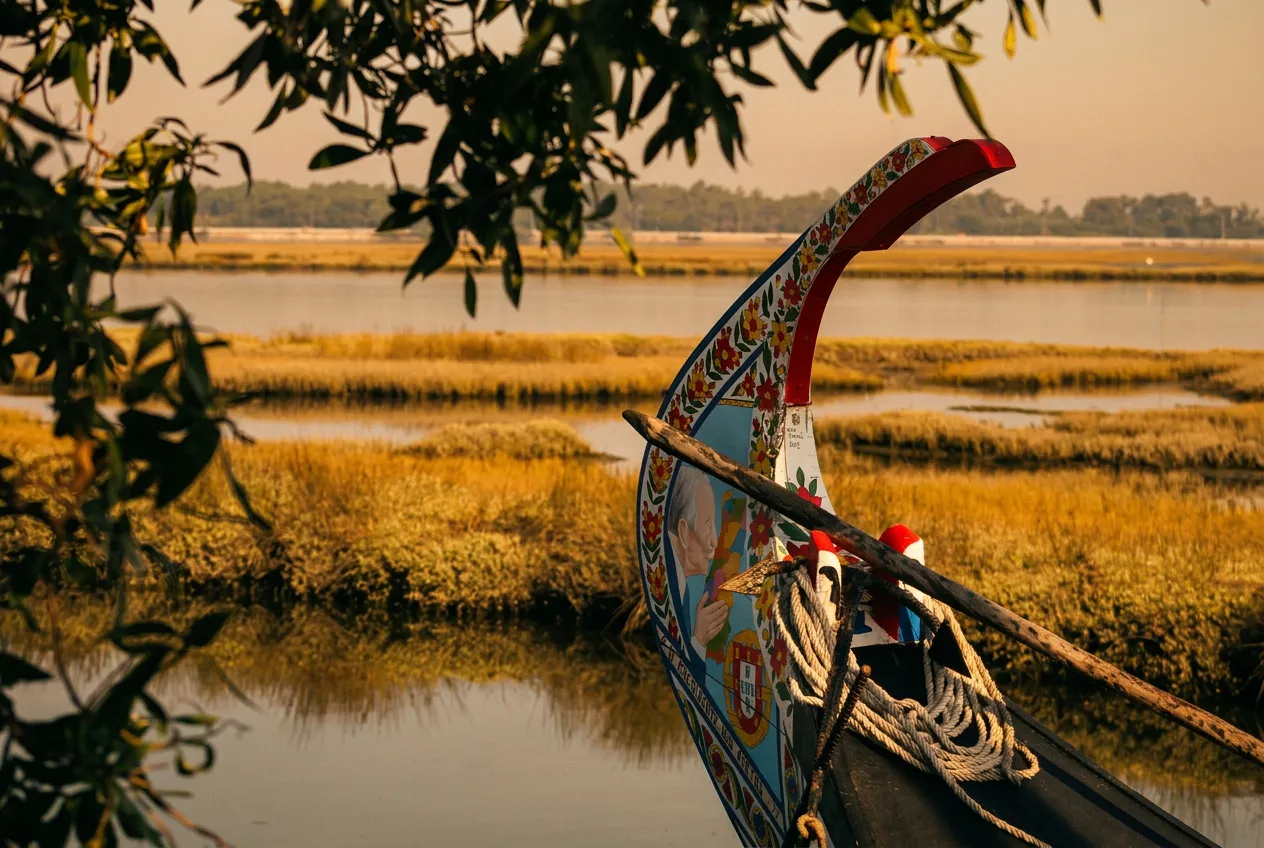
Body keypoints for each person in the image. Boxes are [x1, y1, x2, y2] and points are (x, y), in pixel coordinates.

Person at [666, 463, 730, 659]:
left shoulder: (675, 579)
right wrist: (699, 639)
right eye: (708, 525)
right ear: (684, 532)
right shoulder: (672, 583)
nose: (714, 541)